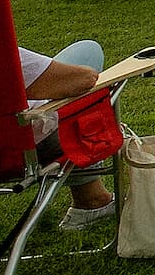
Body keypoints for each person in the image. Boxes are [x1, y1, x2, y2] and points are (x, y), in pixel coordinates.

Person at [17, 36, 118, 227]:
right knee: (87, 57)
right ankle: (92, 201)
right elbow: (84, 79)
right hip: (22, 148)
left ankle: (92, 200)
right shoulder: (2, 56)